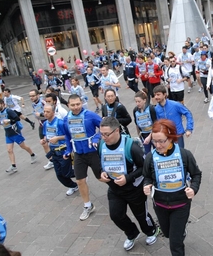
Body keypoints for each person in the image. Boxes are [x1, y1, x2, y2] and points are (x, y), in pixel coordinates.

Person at [98, 117, 159, 251]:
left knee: (141, 215)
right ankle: (132, 233)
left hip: (134, 189)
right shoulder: (101, 144)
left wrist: (128, 178)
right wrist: (102, 172)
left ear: (117, 131)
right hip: (114, 189)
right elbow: (101, 162)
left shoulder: (131, 146)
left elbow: (144, 168)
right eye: (101, 133)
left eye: (106, 134)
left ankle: (151, 231)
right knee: (115, 215)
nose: (103, 137)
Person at [143, 119, 202, 256]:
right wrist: (147, 185)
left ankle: (179, 233)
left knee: (175, 243)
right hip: (160, 204)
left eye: (161, 141)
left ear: (170, 138)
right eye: (154, 141)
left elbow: (196, 174)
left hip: (181, 204)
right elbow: (146, 176)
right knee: (168, 233)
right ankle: (179, 232)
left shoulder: (184, 154)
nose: (157, 145)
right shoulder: (150, 157)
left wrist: (193, 188)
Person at [63, 94, 104, 220]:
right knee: (80, 180)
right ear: (68, 106)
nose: (75, 107)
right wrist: (68, 151)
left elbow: (103, 126)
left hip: (93, 152)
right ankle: (88, 205)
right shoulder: (66, 119)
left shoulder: (90, 115)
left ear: (82, 103)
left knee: (101, 177)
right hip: (79, 154)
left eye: (78, 104)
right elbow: (68, 137)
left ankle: (120, 190)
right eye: (72, 105)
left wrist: (97, 137)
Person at [41, 105, 78, 196]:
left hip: (63, 151)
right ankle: (73, 186)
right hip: (54, 152)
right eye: (44, 111)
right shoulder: (45, 124)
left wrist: (58, 138)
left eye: (48, 112)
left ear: (53, 112)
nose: (45, 113)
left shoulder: (60, 123)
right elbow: (46, 135)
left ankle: (80, 174)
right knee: (59, 175)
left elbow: (70, 135)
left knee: (66, 172)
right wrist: (44, 140)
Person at [0, 98, 37, 173]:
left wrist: (9, 121)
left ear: (2, 104)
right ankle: (13, 166)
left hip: (15, 132)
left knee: (23, 146)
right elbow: (3, 120)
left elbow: (17, 119)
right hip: (8, 133)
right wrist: (0, 122)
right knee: (9, 150)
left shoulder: (9, 111)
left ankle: (33, 155)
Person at [133, 89, 157, 155]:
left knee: (157, 152)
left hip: (153, 134)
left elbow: (156, 124)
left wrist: (150, 136)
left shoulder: (151, 108)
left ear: (144, 100)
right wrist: (139, 136)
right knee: (146, 154)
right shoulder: (135, 110)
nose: (137, 103)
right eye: (136, 101)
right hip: (144, 135)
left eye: (139, 101)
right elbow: (137, 125)